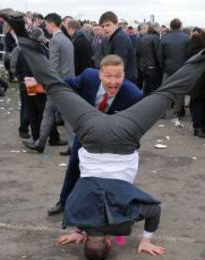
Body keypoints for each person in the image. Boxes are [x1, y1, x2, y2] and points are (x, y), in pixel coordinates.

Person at [0, 8, 205, 260]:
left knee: (168, 91)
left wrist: (145, 240)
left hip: (122, 135)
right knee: (55, 86)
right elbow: (75, 203)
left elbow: (154, 209)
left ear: (110, 243)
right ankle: (21, 32)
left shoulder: (123, 226)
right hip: (93, 132)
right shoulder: (73, 215)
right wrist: (78, 230)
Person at [47, 55, 143, 216]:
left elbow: (136, 125)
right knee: (74, 165)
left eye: (118, 76)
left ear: (124, 75)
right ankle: (64, 202)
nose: (113, 81)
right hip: (87, 132)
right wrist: (43, 84)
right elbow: (64, 86)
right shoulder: (88, 77)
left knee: (117, 173)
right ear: (100, 75)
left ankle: (120, 209)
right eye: (108, 76)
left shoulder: (133, 95)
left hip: (115, 137)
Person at [23, 12, 74, 155]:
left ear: (51, 24)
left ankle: (66, 145)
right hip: (66, 83)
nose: (46, 28)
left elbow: (53, 67)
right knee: (50, 113)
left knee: (62, 115)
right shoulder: (66, 40)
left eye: (46, 24)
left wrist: (48, 84)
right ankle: (40, 143)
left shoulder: (55, 41)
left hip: (57, 85)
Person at [161, 18, 191, 119]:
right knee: (180, 92)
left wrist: (163, 67)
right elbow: (189, 54)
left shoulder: (164, 38)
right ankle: (176, 113)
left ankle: (162, 112)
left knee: (165, 91)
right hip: (182, 68)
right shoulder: (187, 38)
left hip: (168, 68)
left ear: (171, 26)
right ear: (180, 25)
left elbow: (160, 55)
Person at [100, 11, 137, 83]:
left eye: (108, 25)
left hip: (125, 79)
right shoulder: (116, 36)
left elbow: (118, 64)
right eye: (103, 26)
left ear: (116, 24)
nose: (105, 28)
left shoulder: (119, 38)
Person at [139, 22, 163, 96]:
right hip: (153, 68)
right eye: (159, 28)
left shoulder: (144, 38)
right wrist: (162, 68)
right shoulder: (156, 38)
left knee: (146, 89)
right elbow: (159, 55)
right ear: (156, 28)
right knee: (154, 90)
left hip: (145, 68)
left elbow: (140, 53)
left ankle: (144, 105)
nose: (160, 29)